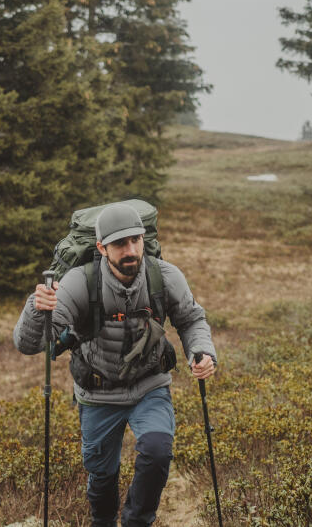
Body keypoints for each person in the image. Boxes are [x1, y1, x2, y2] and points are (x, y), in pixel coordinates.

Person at [13, 202, 216, 527]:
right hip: (97, 394)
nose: (130, 249)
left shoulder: (163, 276)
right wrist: (37, 308)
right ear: (101, 247)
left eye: (135, 240)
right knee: (102, 473)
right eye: (120, 243)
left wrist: (202, 352)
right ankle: (104, 520)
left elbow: (192, 319)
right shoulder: (80, 282)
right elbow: (30, 344)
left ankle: (138, 520)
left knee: (157, 451)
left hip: (150, 387)